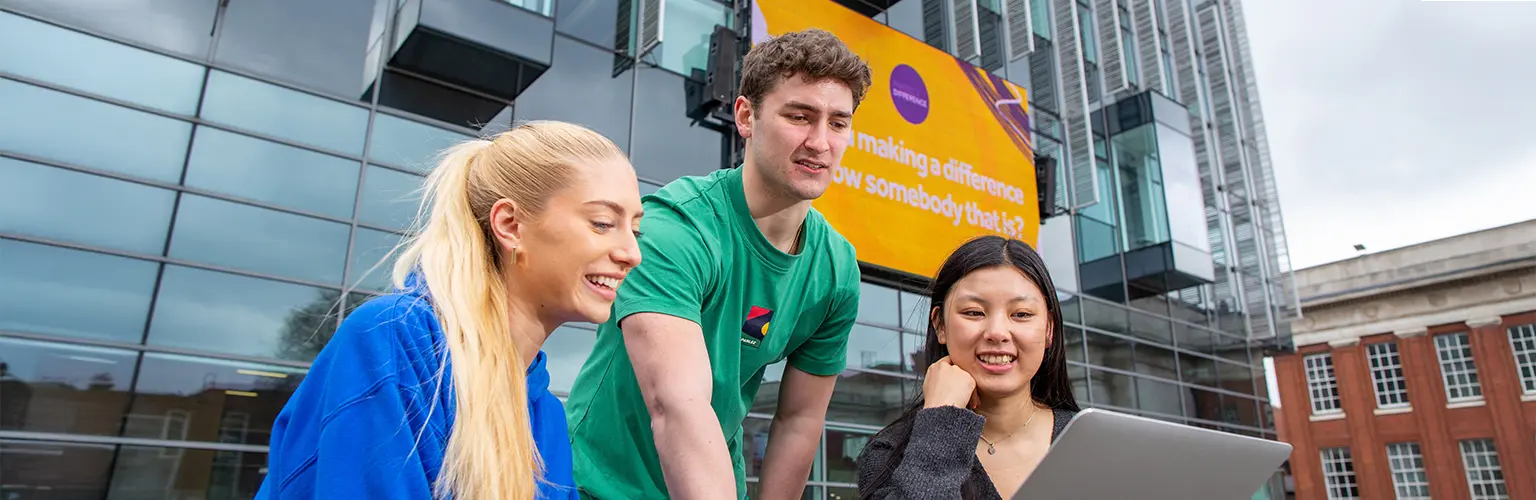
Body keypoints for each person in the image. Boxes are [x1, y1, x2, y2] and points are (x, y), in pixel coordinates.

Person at [256, 121, 643, 500]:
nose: (632, 254)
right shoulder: (391, 342)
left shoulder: (545, 417)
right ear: (510, 225)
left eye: (635, 230)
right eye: (603, 223)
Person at [563, 28, 873, 500]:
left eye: (838, 123)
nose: (820, 142)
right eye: (799, 116)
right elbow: (677, 406)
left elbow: (798, 420)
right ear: (746, 116)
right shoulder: (675, 229)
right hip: (596, 485)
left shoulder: (835, 269)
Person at [856, 235, 1081, 500]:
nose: (997, 333)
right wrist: (942, 420)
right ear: (940, 325)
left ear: (1049, 329)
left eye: (1021, 314)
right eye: (974, 312)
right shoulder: (888, 454)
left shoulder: (1088, 441)